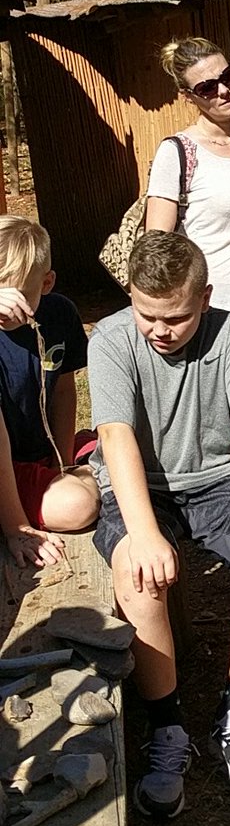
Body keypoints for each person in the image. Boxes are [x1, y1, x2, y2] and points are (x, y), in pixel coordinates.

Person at [88, 231, 230, 819]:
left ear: (204, 297)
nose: (160, 329)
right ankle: (166, 726)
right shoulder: (109, 340)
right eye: (146, 314)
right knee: (139, 575)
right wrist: (143, 531)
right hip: (142, 487)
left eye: (177, 316)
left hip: (216, 481)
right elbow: (115, 436)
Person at [146, 36, 230, 314]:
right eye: (207, 88)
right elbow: (157, 243)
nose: (224, 91)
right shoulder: (177, 152)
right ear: (188, 96)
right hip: (215, 307)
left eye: (228, 77)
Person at [0, 216, 99, 569]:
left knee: (132, 457)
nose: (8, 307)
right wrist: (16, 527)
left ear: (46, 283)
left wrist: (64, 461)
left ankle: (85, 470)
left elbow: (63, 389)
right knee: (77, 506)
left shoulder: (59, 313)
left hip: (38, 455)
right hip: (6, 465)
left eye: (18, 294)